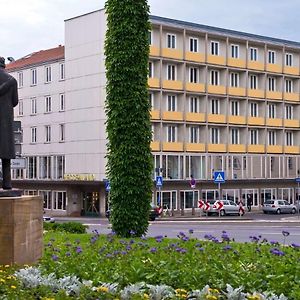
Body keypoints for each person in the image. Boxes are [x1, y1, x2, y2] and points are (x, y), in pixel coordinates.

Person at [0, 57, 18, 189]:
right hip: (5, 120)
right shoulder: (12, 80)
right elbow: (15, 101)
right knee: (6, 155)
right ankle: (7, 183)